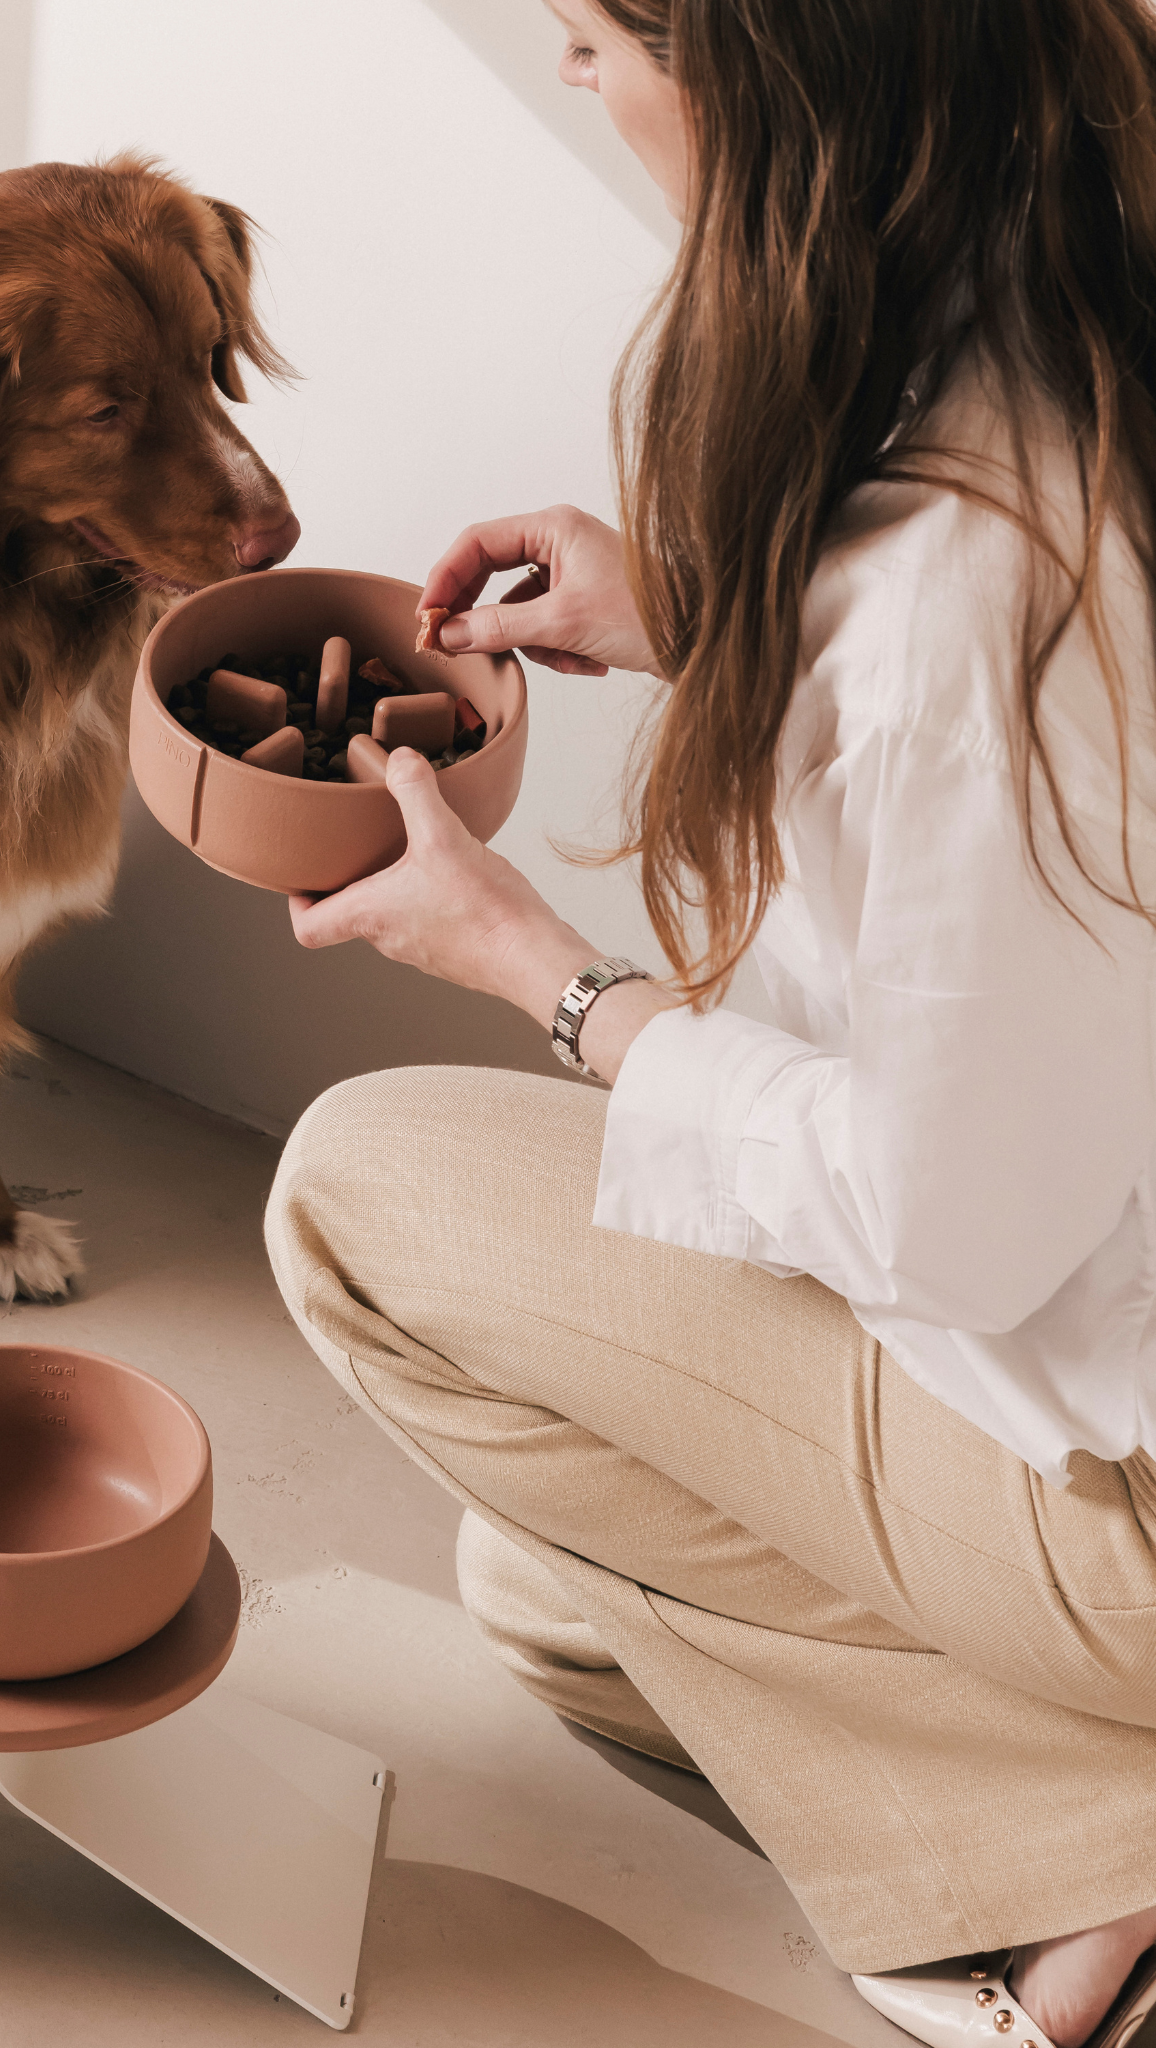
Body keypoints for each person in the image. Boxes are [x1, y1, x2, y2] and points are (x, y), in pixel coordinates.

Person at [265, 4, 1156, 2044]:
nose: (573, 78)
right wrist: (708, 602)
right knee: (540, 1594)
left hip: (1123, 1502)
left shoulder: (970, 609)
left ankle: (1099, 1849)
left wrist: (549, 977)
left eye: (595, 36)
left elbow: (953, 1228)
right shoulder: (1074, 301)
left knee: (346, 1200)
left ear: (767, 71)